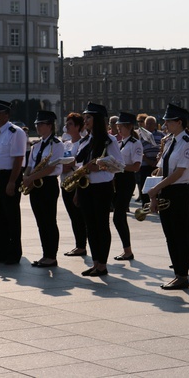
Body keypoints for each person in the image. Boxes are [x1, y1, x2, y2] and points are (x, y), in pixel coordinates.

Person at [148, 104, 189, 290]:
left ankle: (183, 275)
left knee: (180, 235)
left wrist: (157, 188)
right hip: (167, 190)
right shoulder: (170, 141)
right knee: (170, 235)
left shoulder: (188, 143)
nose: (165, 124)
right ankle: (177, 273)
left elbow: (180, 172)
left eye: (169, 121)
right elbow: (163, 168)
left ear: (179, 122)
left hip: (179, 191)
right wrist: (154, 187)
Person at [75, 102, 122, 276]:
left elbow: (119, 165)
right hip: (86, 186)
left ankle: (102, 264)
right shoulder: (86, 140)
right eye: (85, 117)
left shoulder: (108, 140)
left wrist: (100, 166)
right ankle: (95, 262)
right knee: (90, 226)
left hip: (102, 187)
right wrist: (78, 191)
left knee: (101, 225)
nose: (85, 120)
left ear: (97, 119)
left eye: (88, 117)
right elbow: (80, 163)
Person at [0, 100, 28, 265]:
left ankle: (14, 253)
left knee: (11, 217)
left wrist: (12, 182)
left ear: (6, 115)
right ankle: (0, 251)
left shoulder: (15, 132)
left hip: (8, 177)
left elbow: (18, 159)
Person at [23, 110, 64, 268]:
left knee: (49, 221)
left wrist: (31, 178)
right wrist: (26, 177)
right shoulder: (37, 144)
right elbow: (30, 164)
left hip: (47, 184)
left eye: (41, 124)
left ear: (49, 126)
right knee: (41, 222)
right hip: (35, 185)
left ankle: (51, 256)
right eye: (37, 124)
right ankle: (45, 254)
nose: (38, 127)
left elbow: (50, 168)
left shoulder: (57, 145)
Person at [112, 112, 142, 261]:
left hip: (127, 180)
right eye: (117, 127)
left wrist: (119, 167)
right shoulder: (119, 143)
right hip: (116, 180)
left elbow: (136, 166)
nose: (118, 129)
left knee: (118, 217)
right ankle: (127, 250)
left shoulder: (135, 144)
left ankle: (128, 251)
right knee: (119, 217)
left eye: (121, 127)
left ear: (129, 127)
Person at [61, 112, 88, 257]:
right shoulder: (66, 144)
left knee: (79, 216)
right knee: (73, 215)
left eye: (70, 124)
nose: (67, 126)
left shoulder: (83, 143)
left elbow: (80, 163)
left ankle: (82, 246)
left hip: (77, 184)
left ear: (78, 127)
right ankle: (79, 244)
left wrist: (69, 165)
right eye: (67, 123)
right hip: (65, 183)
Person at [138, 115, 163, 205]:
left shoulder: (161, 135)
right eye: (147, 123)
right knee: (144, 185)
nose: (148, 125)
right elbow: (139, 151)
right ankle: (145, 204)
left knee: (156, 185)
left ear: (155, 125)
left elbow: (163, 150)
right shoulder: (140, 136)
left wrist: (157, 161)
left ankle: (156, 203)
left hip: (157, 164)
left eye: (151, 123)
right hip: (145, 163)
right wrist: (148, 160)